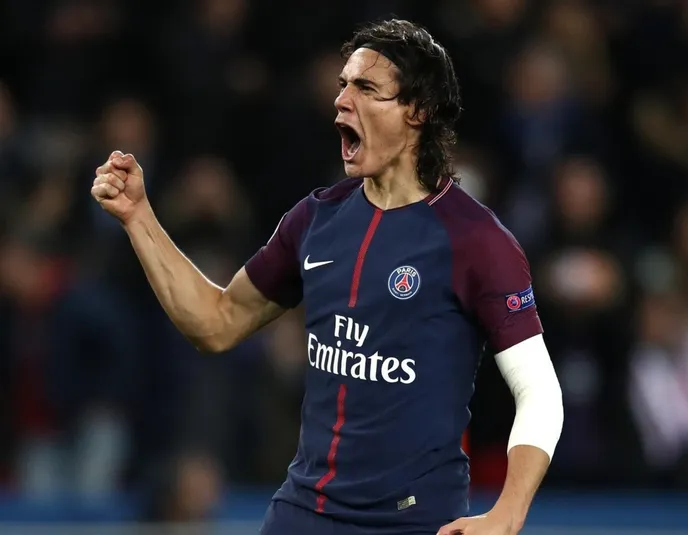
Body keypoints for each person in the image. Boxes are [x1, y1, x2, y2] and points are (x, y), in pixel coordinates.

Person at [91, 18, 563, 535]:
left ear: (418, 110)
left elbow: (539, 391)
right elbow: (216, 322)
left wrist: (508, 512)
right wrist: (139, 217)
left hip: (414, 521)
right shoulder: (315, 218)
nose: (341, 100)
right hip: (304, 513)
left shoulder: (477, 240)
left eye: (366, 88)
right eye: (343, 85)